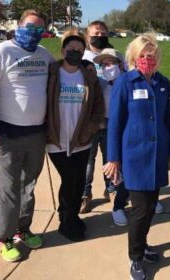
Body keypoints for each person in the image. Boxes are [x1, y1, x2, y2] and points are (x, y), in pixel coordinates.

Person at [103, 33, 170, 280]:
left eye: (152, 55)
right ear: (134, 57)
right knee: (140, 209)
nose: (148, 59)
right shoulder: (126, 82)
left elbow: (168, 121)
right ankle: (135, 257)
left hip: (157, 157)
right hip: (134, 157)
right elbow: (115, 123)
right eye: (143, 55)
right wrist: (113, 158)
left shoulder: (163, 82)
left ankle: (143, 245)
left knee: (149, 207)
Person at [0, 9, 54, 262]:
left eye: (39, 29)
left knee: (29, 186)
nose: (34, 33)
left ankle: (22, 230)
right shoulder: (1, 52)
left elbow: (62, 75)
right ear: (18, 26)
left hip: (37, 134)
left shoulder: (44, 54)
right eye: (30, 27)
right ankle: (4, 239)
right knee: (8, 191)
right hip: (6, 135)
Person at [46, 31, 104, 242]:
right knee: (69, 179)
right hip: (56, 139)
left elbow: (98, 105)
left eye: (80, 50)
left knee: (79, 181)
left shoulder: (88, 75)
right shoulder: (51, 73)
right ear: (63, 50)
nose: (75, 53)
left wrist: (91, 127)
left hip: (81, 140)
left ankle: (71, 217)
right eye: (71, 49)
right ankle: (66, 221)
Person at [91, 48, 130, 226]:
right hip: (109, 128)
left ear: (121, 64)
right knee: (115, 168)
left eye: (112, 63)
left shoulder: (131, 82)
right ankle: (118, 205)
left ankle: (144, 198)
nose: (108, 67)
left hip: (130, 129)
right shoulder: (103, 85)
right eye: (104, 65)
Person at [80, 20, 114, 209]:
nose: (99, 36)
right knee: (88, 160)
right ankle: (85, 193)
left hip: (111, 117)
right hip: (89, 120)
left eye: (103, 33)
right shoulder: (82, 58)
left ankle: (111, 188)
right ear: (87, 36)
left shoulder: (113, 56)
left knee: (110, 157)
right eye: (95, 33)